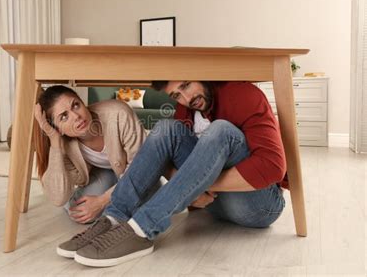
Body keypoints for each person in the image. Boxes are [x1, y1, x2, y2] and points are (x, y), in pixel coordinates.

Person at [58, 80, 287, 267]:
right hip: (211, 206)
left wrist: (195, 186)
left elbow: (273, 166)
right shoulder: (186, 108)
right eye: (177, 95)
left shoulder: (242, 93)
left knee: (221, 130)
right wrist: (191, 186)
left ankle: (142, 229)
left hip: (259, 206)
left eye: (186, 85)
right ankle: (114, 217)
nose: (186, 99)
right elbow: (167, 157)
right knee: (166, 129)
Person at [34, 85, 146, 241]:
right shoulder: (63, 142)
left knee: (144, 206)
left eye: (76, 105)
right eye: (64, 117)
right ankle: (110, 198)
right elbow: (57, 197)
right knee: (82, 214)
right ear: (59, 129)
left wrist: (102, 201)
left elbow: (142, 168)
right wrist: (54, 140)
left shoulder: (118, 113)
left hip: (135, 170)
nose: (76, 116)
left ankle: (113, 200)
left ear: (83, 102)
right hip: (104, 173)